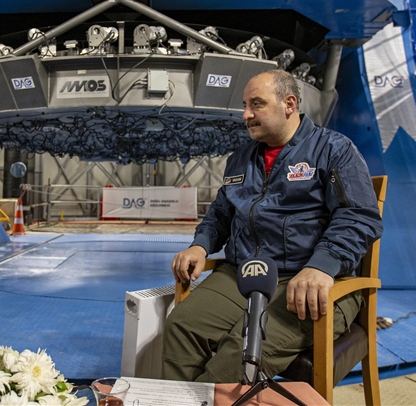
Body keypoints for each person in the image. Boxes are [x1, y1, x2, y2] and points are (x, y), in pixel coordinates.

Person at [162, 69, 383, 383]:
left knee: (238, 354)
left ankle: (205, 400)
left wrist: (322, 266)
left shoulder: (334, 150)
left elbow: (358, 217)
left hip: (310, 279)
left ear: (289, 104)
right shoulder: (240, 159)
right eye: (245, 105)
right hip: (243, 274)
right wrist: (200, 245)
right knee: (181, 327)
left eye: (257, 104)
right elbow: (221, 214)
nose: (246, 114)